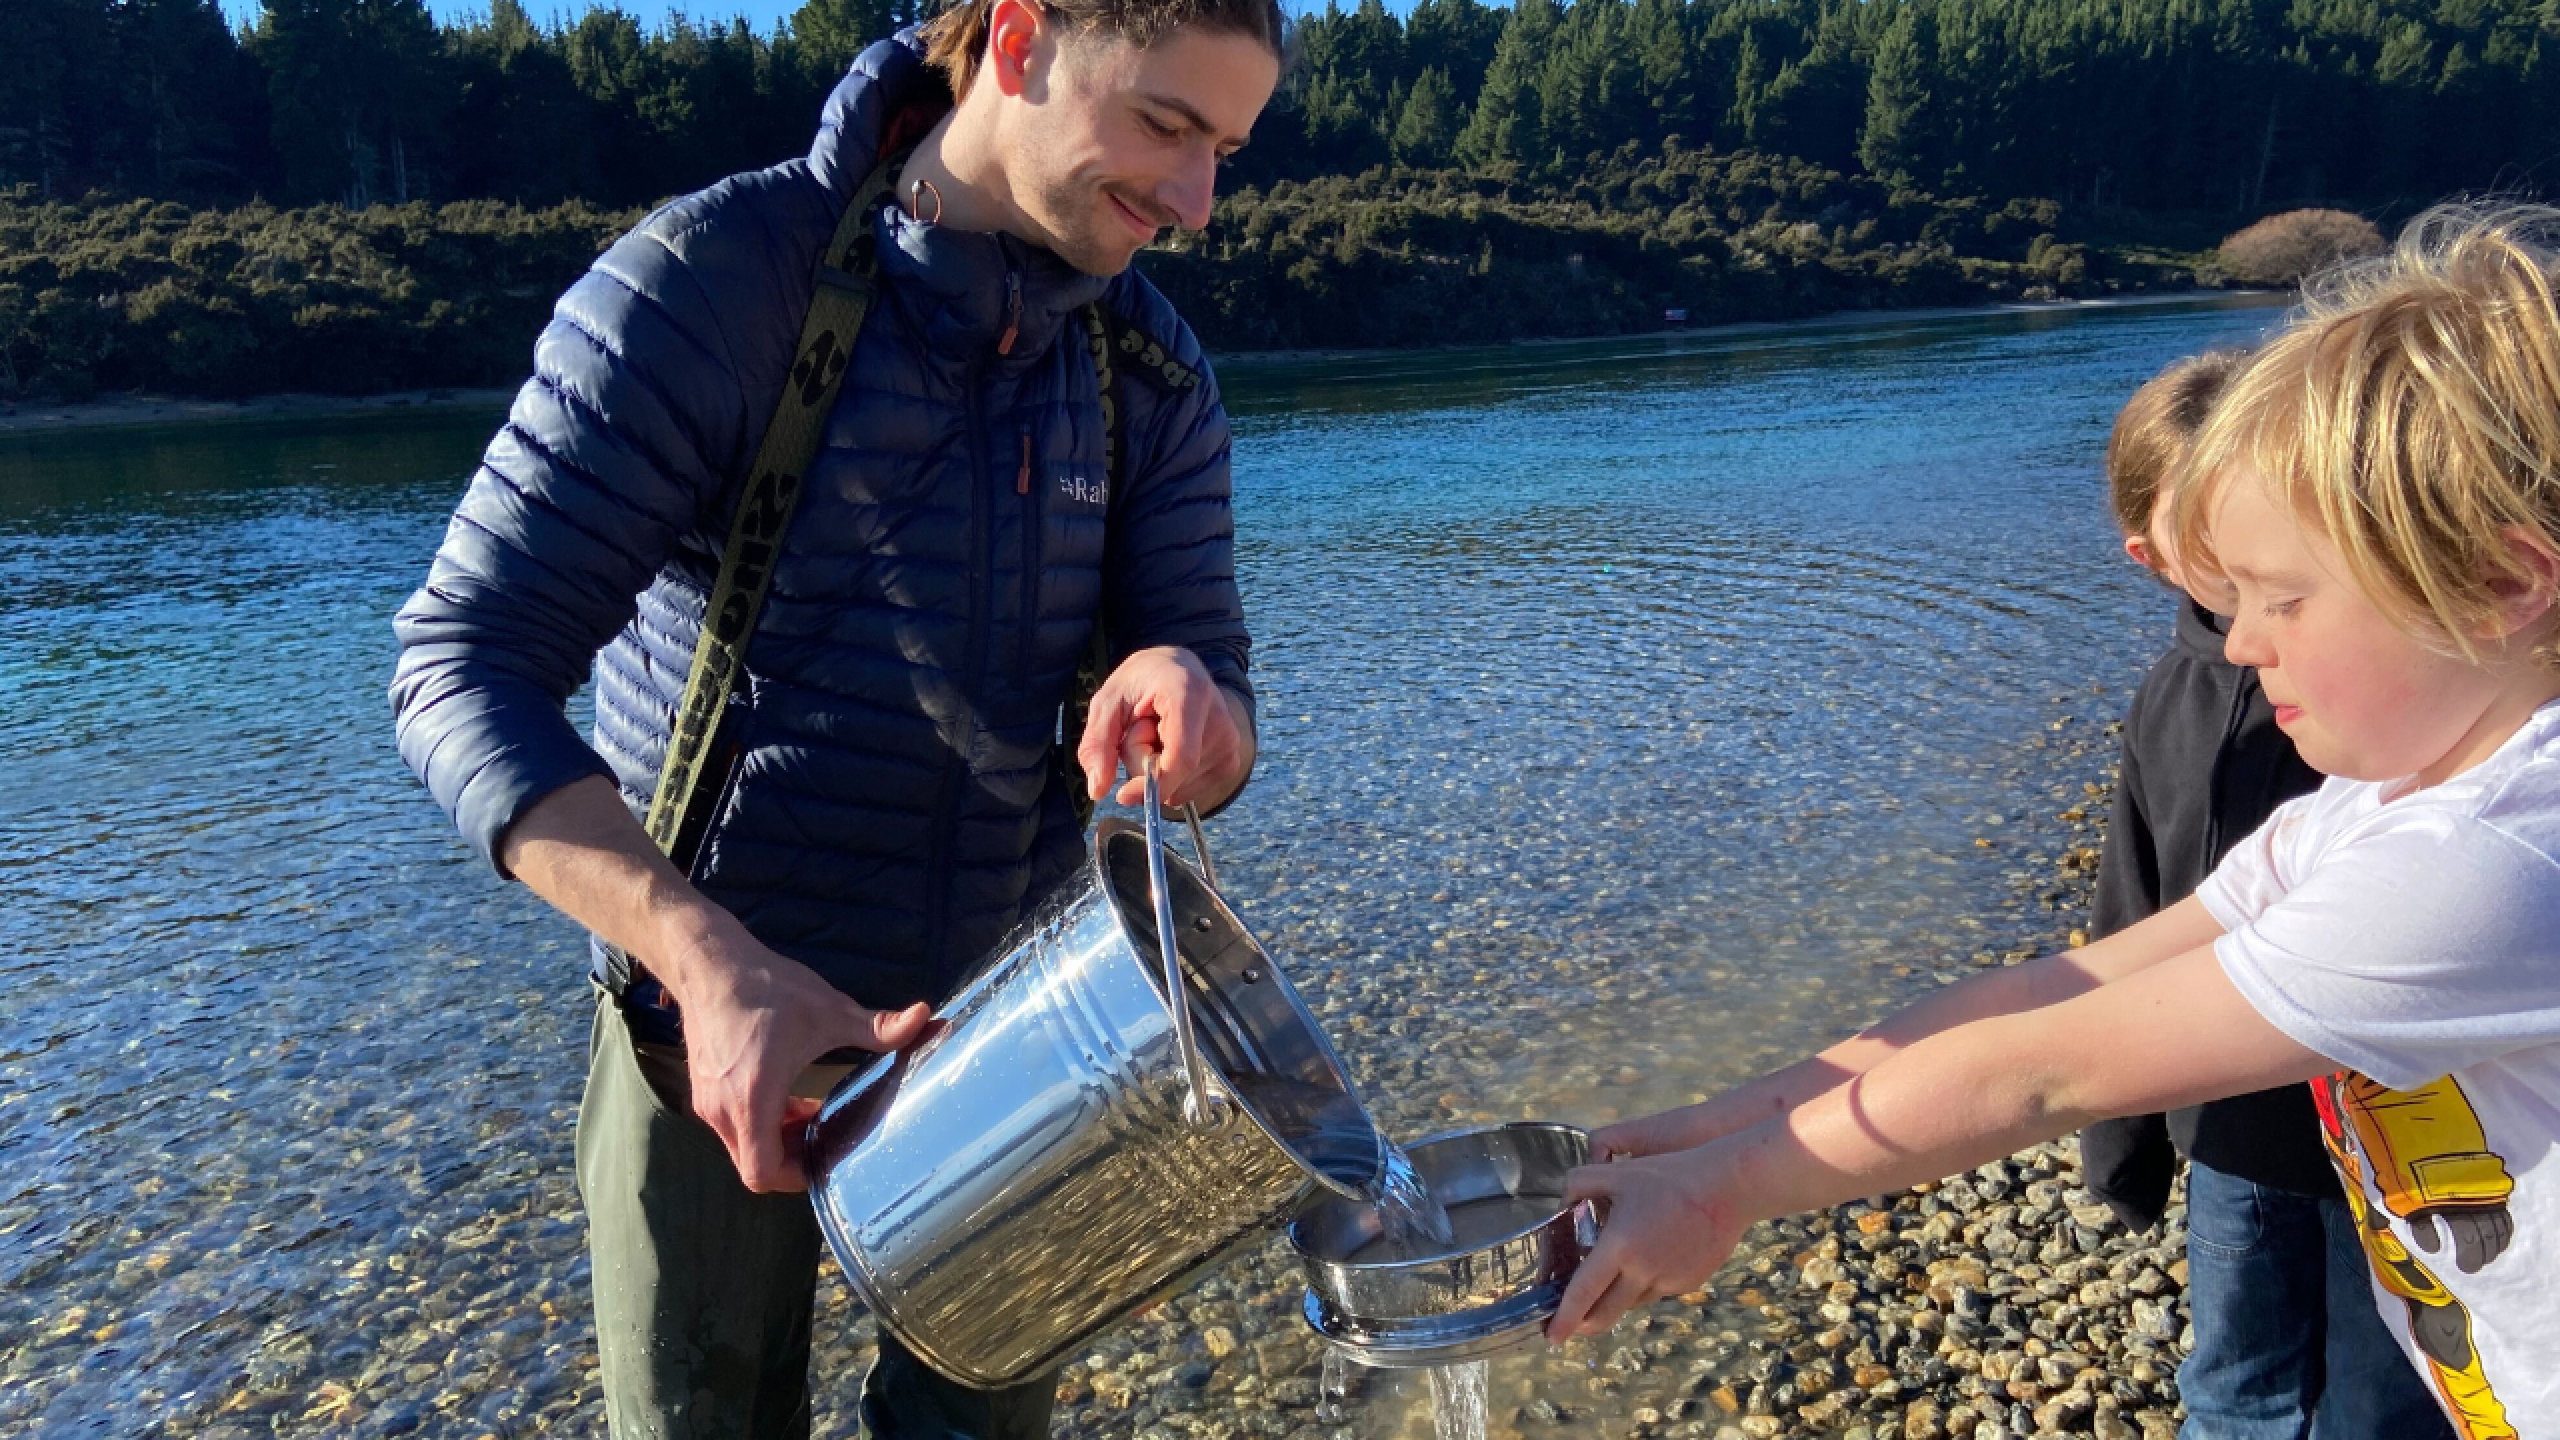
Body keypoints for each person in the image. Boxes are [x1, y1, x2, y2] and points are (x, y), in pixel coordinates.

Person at [387, 1, 1283, 1435]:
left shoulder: (1153, 372)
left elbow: (1216, 687)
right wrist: (703, 956)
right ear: (1018, 39)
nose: (1196, 201)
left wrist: (1200, 713)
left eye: (1227, 149)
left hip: (1012, 1059)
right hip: (706, 1042)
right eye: (1168, 126)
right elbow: (459, 659)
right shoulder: (713, 286)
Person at [1552, 206, 2560, 1437]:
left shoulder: (2497, 861)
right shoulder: (2378, 808)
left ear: (2505, 583)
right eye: (2232, 596)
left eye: (2286, 599)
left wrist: (1727, 1195)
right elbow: (2064, 989)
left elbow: (2050, 1071)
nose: (2239, 644)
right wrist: (1717, 1131)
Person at [2073, 352, 2446, 1437]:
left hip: (2396, 1111)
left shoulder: (2388, 676)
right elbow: (2134, 907)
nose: (2257, 619)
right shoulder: (2178, 698)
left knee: (2387, 1397)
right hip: (2242, 1127)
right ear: (2155, 557)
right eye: (2225, 559)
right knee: (2240, 1381)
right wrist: (2124, 1141)